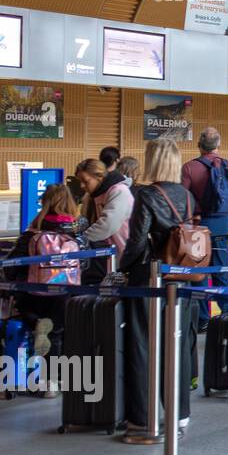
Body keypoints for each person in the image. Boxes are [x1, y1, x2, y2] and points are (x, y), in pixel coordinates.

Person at [118, 139, 200, 433]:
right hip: (182, 278)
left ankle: (142, 415)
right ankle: (180, 411)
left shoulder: (147, 195)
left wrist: (123, 268)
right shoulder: (188, 196)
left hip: (150, 279)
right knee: (176, 345)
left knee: (142, 345)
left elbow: (137, 240)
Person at [0, 183, 87, 398]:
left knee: (27, 315)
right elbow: (86, 264)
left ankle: (35, 324)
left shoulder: (33, 232)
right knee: (56, 333)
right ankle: (51, 384)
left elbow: (12, 265)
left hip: (33, 293)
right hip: (65, 292)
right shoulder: (77, 233)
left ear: (44, 203)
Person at [181, 128, 228, 308]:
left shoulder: (189, 168)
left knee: (199, 273)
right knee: (222, 272)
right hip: (224, 225)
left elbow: (182, 199)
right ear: (219, 145)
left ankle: (202, 318)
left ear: (199, 145)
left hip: (198, 226)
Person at [75, 157, 134, 286]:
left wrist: (80, 240)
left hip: (121, 258)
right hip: (104, 258)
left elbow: (107, 225)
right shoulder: (92, 196)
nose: (82, 186)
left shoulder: (119, 192)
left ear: (99, 176)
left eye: (85, 181)